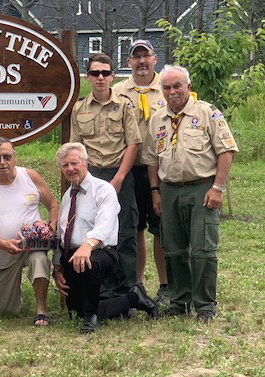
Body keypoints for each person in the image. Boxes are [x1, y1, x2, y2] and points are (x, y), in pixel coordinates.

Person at [144, 65, 238, 323]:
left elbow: (226, 151)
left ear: (187, 86)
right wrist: (155, 191)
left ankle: (205, 304)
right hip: (169, 190)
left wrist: (217, 187)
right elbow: (152, 159)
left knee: (202, 249)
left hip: (201, 189)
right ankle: (180, 301)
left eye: (177, 86)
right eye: (167, 87)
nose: (172, 91)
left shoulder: (207, 113)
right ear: (161, 89)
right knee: (172, 249)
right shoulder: (157, 118)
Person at [52, 143, 158, 334]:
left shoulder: (103, 190)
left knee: (87, 261)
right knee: (75, 312)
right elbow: (62, 234)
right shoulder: (68, 195)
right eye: (65, 165)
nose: (70, 169)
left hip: (102, 253)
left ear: (86, 163)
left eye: (74, 163)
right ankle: (133, 299)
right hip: (73, 255)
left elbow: (105, 225)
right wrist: (57, 265)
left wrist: (87, 245)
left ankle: (93, 315)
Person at [70, 53, 142, 299]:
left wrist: (119, 179)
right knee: (92, 230)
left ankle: (126, 292)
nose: (100, 78)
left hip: (118, 173)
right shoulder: (79, 108)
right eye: (95, 73)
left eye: (105, 73)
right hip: (91, 175)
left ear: (112, 75)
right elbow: (76, 148)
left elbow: (133, 144)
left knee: (124, 232)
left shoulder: (124, 105)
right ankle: (99, 290)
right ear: (88, 76)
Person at [0, 137, 59, 326]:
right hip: (3, 252)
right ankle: (11, 299)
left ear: (15, 157)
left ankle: (41, 310)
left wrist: (50, 228)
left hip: (33, 245)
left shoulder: (30, 176)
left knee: (39, 259)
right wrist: (2, 244)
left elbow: (52, 205)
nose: (2, 162)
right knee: (6, 311)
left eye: (7, 157)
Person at [112, 40, 169, 305]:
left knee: (160, 229)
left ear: (155, 59)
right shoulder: (118, 91)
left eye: (146, 56)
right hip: (130, 169)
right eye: (136, 57)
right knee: (134, 228)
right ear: (129, 63)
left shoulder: (168, 88)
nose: (141, 61)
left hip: (161, 168)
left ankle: (165, 284)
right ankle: (136, 283)